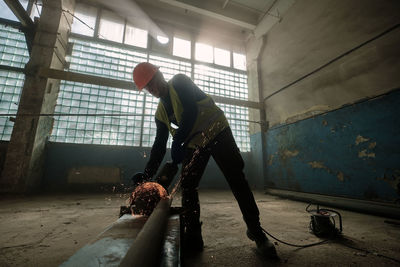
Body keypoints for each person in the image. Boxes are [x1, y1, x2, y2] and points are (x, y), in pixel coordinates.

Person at [132, 62, 277, 258]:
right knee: (189, 185)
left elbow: (191, 111)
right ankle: (193, 235)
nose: (153, 89)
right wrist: (147, 175)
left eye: (153, 83)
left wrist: (178, 142)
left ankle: (257, 232)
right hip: (196, 143)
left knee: (236, 179)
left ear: (160, 75)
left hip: (218, 132)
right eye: (148, 88)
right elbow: (158, 146)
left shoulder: (180, 81)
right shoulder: (160, 113)